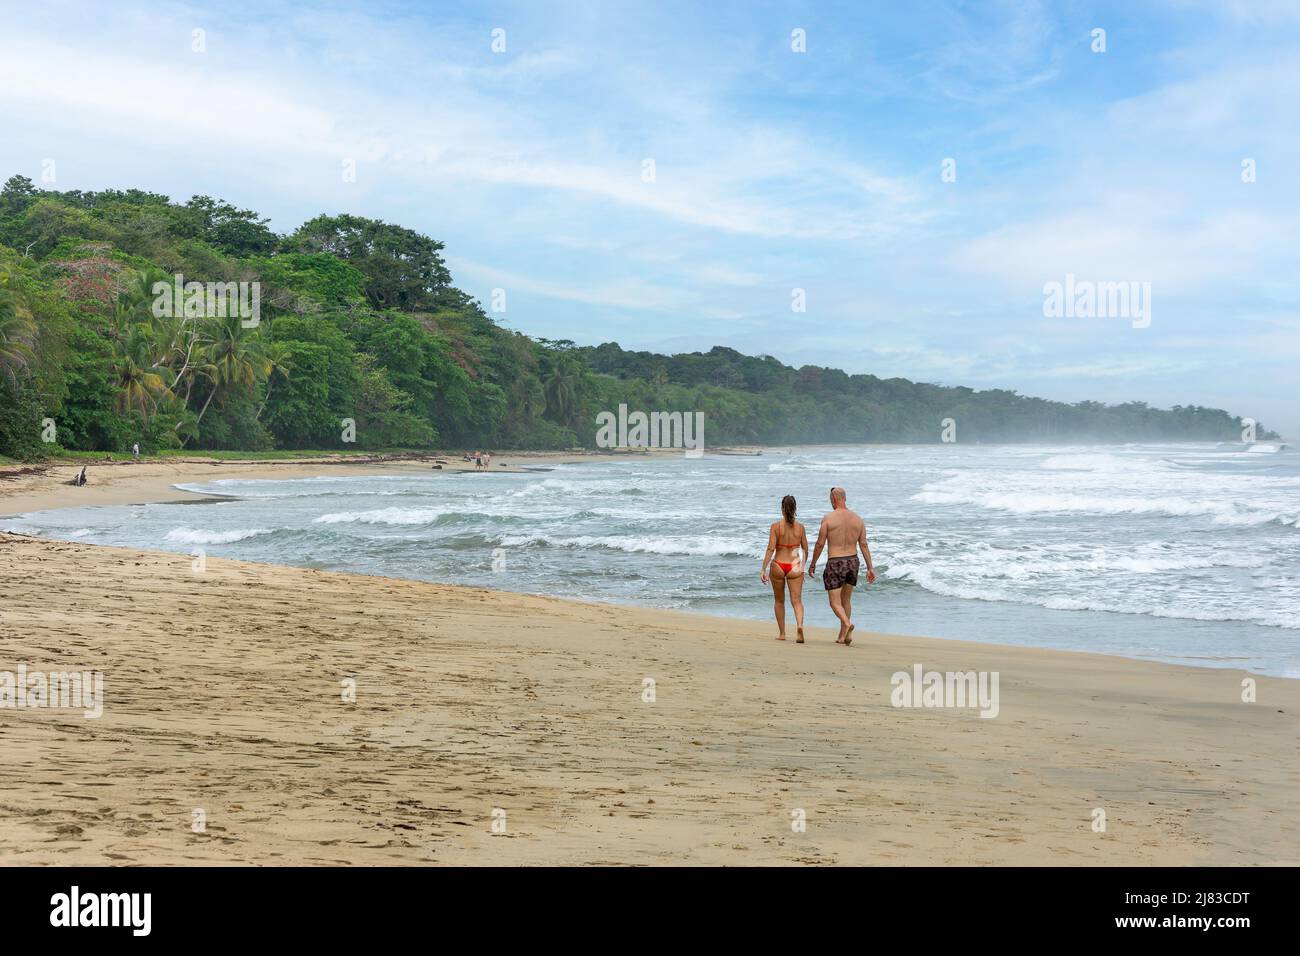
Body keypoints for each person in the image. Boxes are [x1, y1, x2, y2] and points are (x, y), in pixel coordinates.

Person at [807, 487, 876, 646]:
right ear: (845, 498)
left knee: (834, 602)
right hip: (853, 561)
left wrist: (813, 563)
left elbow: (819, 544)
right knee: (846, 600)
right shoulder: (858, 519)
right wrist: (870, 567)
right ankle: (842, 635)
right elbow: (864, 545)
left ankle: (846, 623)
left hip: (835, 562)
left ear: (833, 499)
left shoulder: (828, 519)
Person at [760, 495, 809, 642]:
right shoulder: (800, 528)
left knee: (779, 601)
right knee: (797, 601)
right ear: (795, 509)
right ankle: (799, 626)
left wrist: (763, 569)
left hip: (778, 565)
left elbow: (770, 548)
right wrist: (803, 568)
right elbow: (805, 550)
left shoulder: (775, 527)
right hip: (795, 566)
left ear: (782, 509)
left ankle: (782, 633)